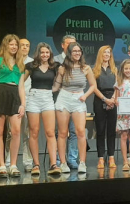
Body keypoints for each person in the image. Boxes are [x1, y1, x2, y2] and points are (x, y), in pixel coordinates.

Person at [53, 42, 96, 173]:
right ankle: (63, 163)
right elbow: (56, 87)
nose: (77, 53)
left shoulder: (86, 68)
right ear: (69, 53)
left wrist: (85, 96)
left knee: (80, 132)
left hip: (79, 99)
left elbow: (93, 86)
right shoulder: (62, 68)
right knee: (62, 133)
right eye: (74, 51)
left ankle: (82, 162)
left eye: (79, 51)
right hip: (64, 98)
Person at [0, 34, 26, 177]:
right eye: (11, 44)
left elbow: (21, 86)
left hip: (14, 95)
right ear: (5, 45)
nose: (14, 47)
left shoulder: (20, 63)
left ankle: (13, 164)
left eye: (16, 45)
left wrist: (23, 104)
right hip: (0, 94)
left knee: (16, 131)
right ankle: (1, 166)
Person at [24, 42, 61, 175]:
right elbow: (20, 81)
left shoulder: (55, 66)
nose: (45, 55)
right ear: (38, 54)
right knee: (34, 132)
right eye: (42, 52)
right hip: (33, 98)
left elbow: (61, 80)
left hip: (48, 98)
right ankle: (36, 164)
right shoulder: (31, 66)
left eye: (47, 52)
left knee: (50, 132)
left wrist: (55, 88)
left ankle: (53, 164)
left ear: (50, 54)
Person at [5, 38, 33, 172]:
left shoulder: (33, 63)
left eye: (27, 46)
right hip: (12, 100)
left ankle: (28, 162)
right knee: (11, 132)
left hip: (28, 100)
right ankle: (9, 161)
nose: (25, 48)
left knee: (27, 132)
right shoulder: (11, 61)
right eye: (22, 45)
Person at [54, 35, 78, 169]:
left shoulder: (78, 60)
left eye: (74, 44)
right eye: (69, 44)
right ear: (63, 45)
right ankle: (59, 160)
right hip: (61, 100)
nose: (71, 47)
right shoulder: (56, 60)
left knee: (74, 132)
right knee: (60, 132)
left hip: (75, 101)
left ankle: (72, 159)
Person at [92, 45, 118, 169]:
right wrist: (105, 99)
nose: (107, 55)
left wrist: (113, 99)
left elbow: (118, 86)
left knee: (111, 131)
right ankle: (101, 158)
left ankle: (111, 157)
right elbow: (94, 88)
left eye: (109, 52)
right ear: (100, 55)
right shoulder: (94, 70)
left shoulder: (115, 69)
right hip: (99, 100)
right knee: (101, 130)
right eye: (104, 52)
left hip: (112, 100)